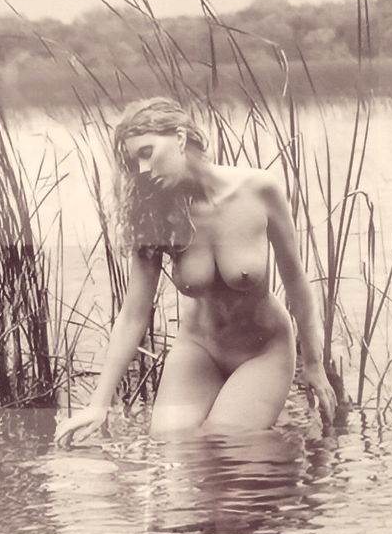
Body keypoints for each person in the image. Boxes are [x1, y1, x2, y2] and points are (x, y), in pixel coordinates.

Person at [56, 98, 344, 446]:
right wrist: (98, 404)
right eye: (135, 161)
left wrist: (313, 364)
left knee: (225, 442)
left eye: (147, 152)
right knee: (170, 444)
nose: (143, 169)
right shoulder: (156, 213)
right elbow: (133, 314)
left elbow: (296, 282)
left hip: (263, 349)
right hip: (198, 347)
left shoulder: (259, 189)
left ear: (179, 137)